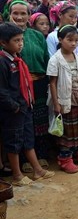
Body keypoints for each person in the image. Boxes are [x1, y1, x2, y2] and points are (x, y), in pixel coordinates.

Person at [0, 23, 55, 186]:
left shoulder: (18, 60)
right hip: (13, 110)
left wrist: (24, 104)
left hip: (25, 106)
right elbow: (2, 91)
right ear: (3, 43)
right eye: (16, 40)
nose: (21, 43)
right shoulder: (3, 63)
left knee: (27, 138)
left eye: (21, 40)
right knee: (14, 141)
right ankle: (17, 175)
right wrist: (14, 106)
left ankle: (37, 170)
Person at [6, 0, 52, 172]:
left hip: (39, 83)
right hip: (18, 86)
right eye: (15, 13)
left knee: (40, 120)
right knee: (24, 123)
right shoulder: (5, 37)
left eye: (23, 13)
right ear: (9, 15)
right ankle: (25, 159)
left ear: (29, 15)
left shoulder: (37, 35)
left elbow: (46, 60)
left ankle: (41, 155)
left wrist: (49, 81)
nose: (19, 17)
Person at [47, 25, 78, 173]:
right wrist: (56, 104)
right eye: (69, 40)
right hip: (66, 100)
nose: (73, 43)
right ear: (60, 40)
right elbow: (52, 83)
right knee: (68, 131)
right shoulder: (55, 60)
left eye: (76, 41)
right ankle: (65, 158)